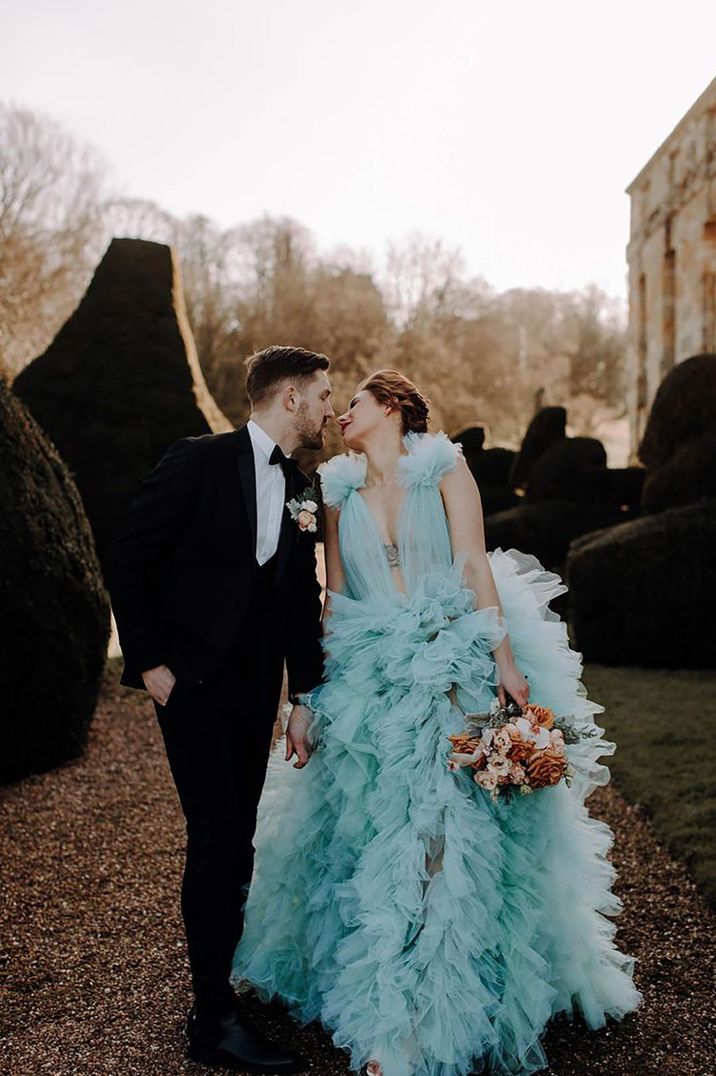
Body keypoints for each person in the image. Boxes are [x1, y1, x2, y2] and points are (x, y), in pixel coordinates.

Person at [232, 370, 642, 1076]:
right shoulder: (333, 489)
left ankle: (418, 1025)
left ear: (390, 406)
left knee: (441, 838)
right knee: (374, 837)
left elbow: (474, 567)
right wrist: (309, 698)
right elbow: (332, 597)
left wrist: (506, 664)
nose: (340, 414)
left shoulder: (447, 471)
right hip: (371, 674)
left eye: (352, 402)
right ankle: (389, 1005)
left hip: (452, 662)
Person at [106, 345, 334, 1074]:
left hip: (254, 698)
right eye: (324, 394)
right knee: (218, 839)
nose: (330, 408)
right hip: (192, 688)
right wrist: (150, 665)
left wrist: (303, 697)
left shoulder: (304, 491)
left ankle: (218, 995)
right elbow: (130, 556)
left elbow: (301, 605)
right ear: (292, 397)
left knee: (236, 843)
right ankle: (212, 1022)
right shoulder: (198, 460)